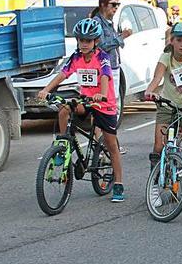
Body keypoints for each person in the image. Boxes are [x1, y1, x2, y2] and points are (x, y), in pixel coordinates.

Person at [37, 19, 125, 202]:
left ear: (96, 42)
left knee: (111, 144)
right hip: (85, 100)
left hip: (103, 103)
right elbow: (63, 74)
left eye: (88, 41)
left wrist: (101, 94)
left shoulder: (102, 57)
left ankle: (118, 184)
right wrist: (46, 90)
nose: (83, 44)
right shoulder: (76, 57)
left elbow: (106, 76)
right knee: (64, 109)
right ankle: (62, 146)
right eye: (81, 40)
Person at [144, 22, 182, 205]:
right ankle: (154, 187)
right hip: (167, 105)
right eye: (179, 40)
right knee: (158, 146)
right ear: (172, 41)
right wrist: (150, 91)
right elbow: (158, 77)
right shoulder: (166, 56)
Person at [90, 0, 132, 110]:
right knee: (107, 100)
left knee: (114, 99)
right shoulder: (97, 22)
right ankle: (107, 123)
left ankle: (110, 122)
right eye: (113, 4)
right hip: (104, 67)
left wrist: (120, 37)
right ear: (103, 5)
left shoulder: (109, 22)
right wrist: (121, 37)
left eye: (118, 5)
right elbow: (102, 46)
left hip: (113, 65)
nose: (116, 8)